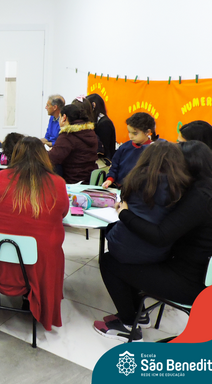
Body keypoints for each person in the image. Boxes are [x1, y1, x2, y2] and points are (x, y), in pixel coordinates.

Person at [94, 140, 212, 342]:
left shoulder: (199, 198)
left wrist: (124, 214)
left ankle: (128, 324)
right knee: (136, 259)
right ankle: (139, 315)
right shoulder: (204, 190)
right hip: (195, 271)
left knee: (110, 262)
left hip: (189, 282)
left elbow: (160, 236)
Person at [0, 137, 69, 331]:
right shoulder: (57, 183)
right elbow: (62, 214)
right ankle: (34, 297)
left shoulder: (1, 177)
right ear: (44, 157)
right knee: (52, 248)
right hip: (38, 262)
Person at [105, 141, 191, 264]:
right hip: (157, 253)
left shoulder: (134, 178)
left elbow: (125, 203)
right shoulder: (180, 186)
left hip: (120, 246)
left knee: (112, 228)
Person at [102, 112, 157, 189]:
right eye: (129, 132)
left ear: (147, 132)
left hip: (141, 190)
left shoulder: (153, 150)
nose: (131, 136)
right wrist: (110, 179)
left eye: (135, 133)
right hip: (121, 188)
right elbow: (114, 166)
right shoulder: (124, 147)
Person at [48, 104, 98, 184]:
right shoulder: (90, 132)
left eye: (60, 117)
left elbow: (52, 158)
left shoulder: (67, 135)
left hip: (72, 179)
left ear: (64, 117)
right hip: (90, 178)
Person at [86, 93, 117, 162]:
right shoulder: (99, 121)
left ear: (93, 105)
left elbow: (105, 148)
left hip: (105, 161)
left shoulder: (104, 123)